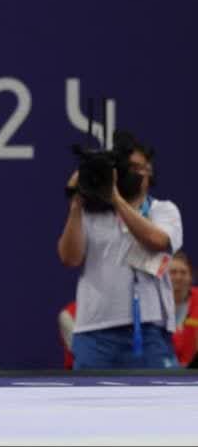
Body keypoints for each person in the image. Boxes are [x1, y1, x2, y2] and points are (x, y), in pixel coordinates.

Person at [57, 131, 182, 369]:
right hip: (93, 331)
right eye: (128, 167)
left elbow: (157, 241)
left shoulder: (163, 210)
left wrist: (115, 199)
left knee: (160, 393)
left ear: (150, 173)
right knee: (88, 395)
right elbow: (70, 258)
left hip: (148, 329)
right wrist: (76, 203)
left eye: (139, 167)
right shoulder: (91, 214)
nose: (134, 173)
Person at [169, 250, 198, 366]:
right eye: (173, 272)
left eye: (183, 272)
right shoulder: (154, 304)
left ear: (191, 277)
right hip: (163, 368)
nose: (178, 277)